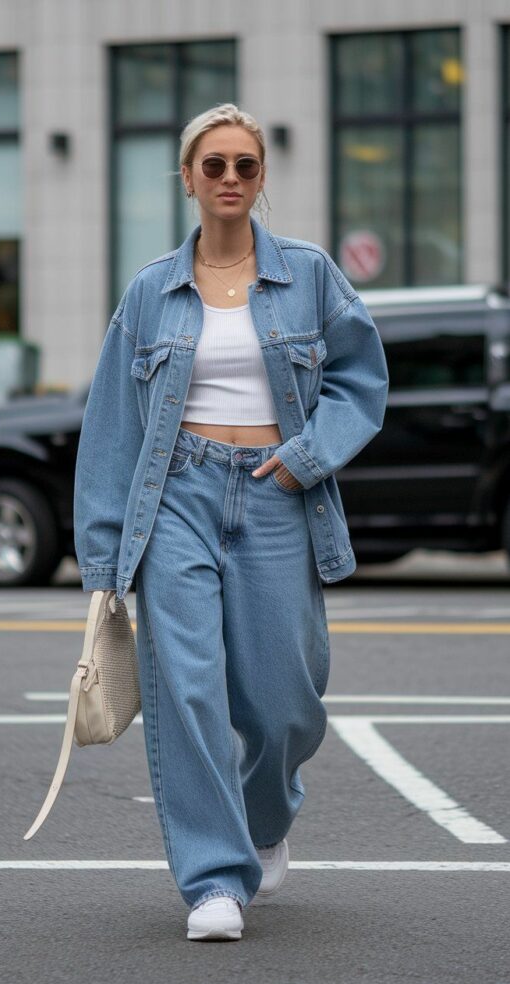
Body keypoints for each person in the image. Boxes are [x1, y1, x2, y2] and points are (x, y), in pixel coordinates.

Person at [73, 103, 388, 941]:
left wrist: (311, 455)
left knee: (285, 699)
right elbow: (112, 426)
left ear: (261, 178)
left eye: (245, 165)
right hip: (176, 495)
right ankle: (214, 879)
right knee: (186, 690)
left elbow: (363, 382)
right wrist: (104, 563)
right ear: (187, 178)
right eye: (213, 165)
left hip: (279, 492)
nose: (229, 179)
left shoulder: (311, 275)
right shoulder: (150, 291)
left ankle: (264, 819)